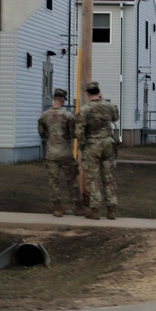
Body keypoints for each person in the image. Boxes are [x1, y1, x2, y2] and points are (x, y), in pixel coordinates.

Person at [76, 81, 120, 220]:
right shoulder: (109, 106)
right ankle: (111, 209)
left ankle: (95, 209)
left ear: (88, 94)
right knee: (108, 178)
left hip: (92, 144)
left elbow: (79, 131)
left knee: (93, 178)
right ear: (99, 92)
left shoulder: (85, 109)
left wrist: (82, 146)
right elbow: (116, 118)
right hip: (108, 143)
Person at [37, 88, 81, 217]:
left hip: (51, 153)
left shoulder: (44, 115)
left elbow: (41, 133)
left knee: (53, 181)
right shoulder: (68, 116)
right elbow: (74, 133)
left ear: (54, 99)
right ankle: (78, 207)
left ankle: (57, 208)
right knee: (72, 180)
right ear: (62, 100)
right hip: (66, 153)